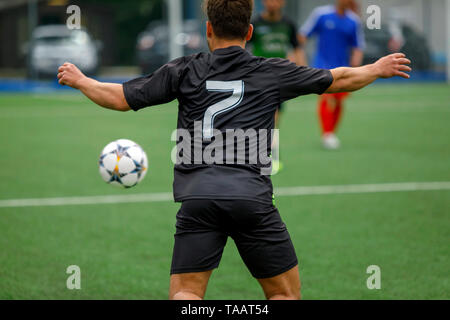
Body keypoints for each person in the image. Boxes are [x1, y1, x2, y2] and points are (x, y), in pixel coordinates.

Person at [57, 0, 411, 300]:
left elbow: (120, 98)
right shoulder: (272, 71)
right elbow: (338, 79)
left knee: (187, 295)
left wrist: (81, 80)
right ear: (250, 32)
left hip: (198, 200)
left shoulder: (184, 69)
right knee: (284, 295)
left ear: (208, 30)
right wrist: (377, 68)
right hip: (251, 200)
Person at [248, 0, 306, 172]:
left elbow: (297, 48)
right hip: (256, 78)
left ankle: (267, 153)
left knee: (273, 118)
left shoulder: (288, 25)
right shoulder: (255, 24)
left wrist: (302, 72)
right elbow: (244, 47)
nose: (273, 3)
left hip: (278, 79)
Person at [299, 0, 365, 149]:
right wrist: (298, 52)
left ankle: (331, 133)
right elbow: (303, 35)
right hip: (323, 66)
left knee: (339, 101)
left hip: (344, 68)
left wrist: (356, 63)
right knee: (328, 98)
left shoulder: (353, 20)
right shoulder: (321, 14)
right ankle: (327, 133)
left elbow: (358, 45)